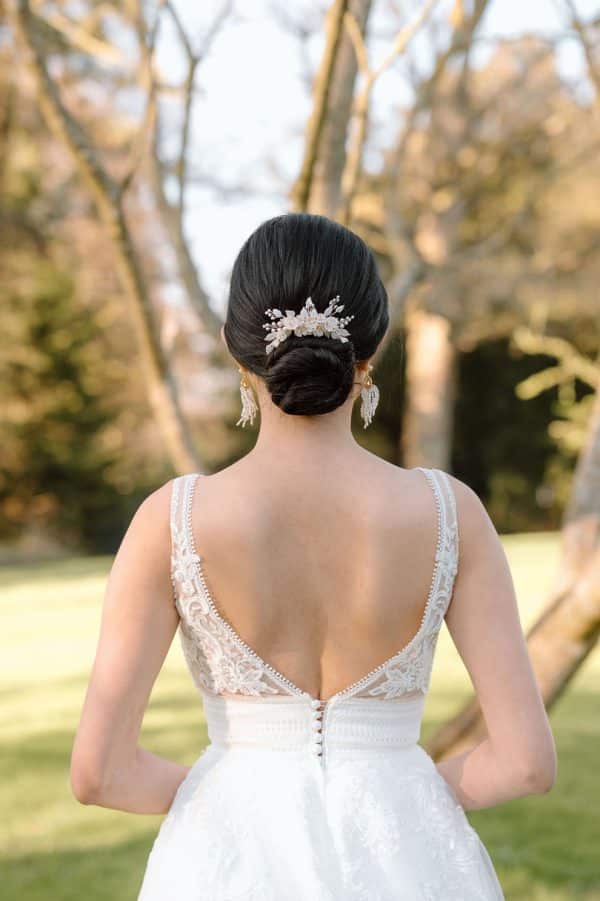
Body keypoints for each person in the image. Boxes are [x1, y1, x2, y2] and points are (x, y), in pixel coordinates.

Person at [70, 213, 557, 900]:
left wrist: (232, 798)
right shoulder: (452, 515)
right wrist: (403, 799)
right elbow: (527, 763)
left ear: (235, 350)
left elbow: (99, 772)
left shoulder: (170, 523)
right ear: (375, 346)